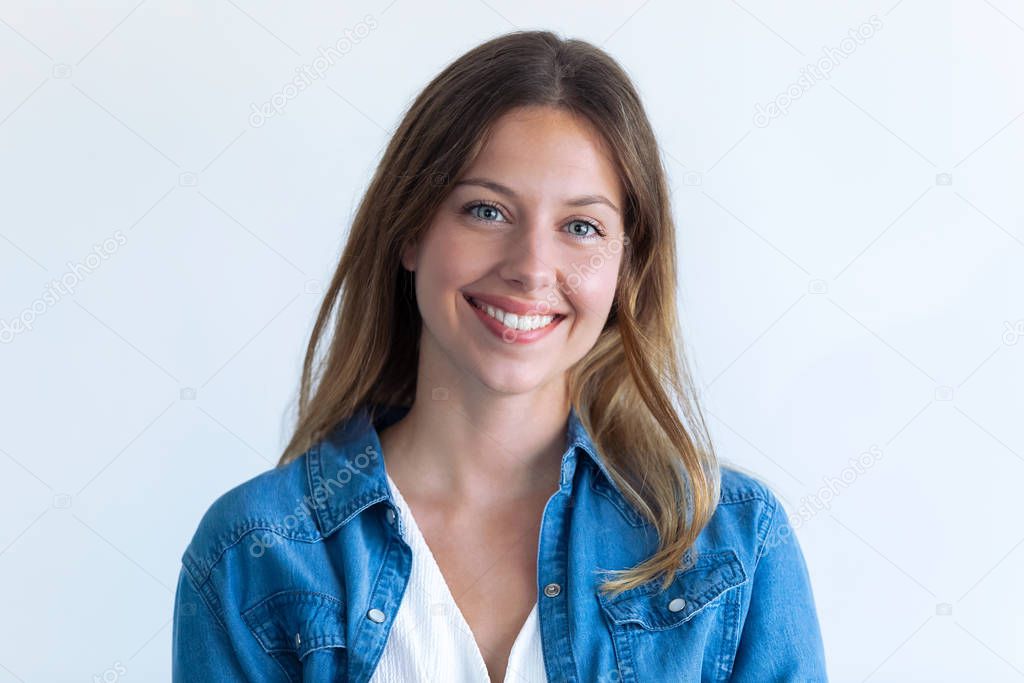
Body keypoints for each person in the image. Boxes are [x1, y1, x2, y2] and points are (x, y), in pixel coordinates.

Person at [172, 29, 828, 682]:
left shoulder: (734, 546)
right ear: (410, 230)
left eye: (581, 227)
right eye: (487, 210)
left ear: (626, 267)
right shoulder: (252, 556)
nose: (532, 267)